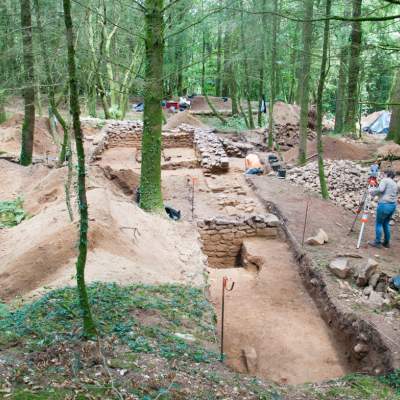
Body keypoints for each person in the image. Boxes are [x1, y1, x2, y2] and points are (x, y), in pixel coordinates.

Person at [367, 169, 398, 249]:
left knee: (379, 223)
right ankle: (386, 242)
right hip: (393, 205)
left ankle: (377, 242)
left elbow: (381, 189)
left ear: (387, 175)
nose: (383, 176)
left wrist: (371, 191)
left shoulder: (385, 180)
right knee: (386, 223)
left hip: (384, 205)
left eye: (384, 175)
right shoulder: (394, 183)